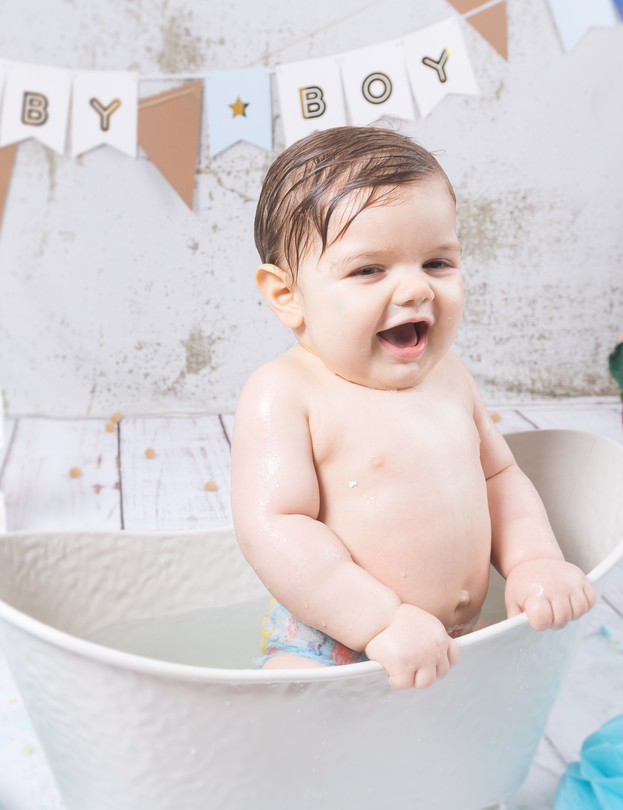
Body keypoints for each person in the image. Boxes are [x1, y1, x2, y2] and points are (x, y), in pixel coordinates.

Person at [231, 127, 596, 690]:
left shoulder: (450, 376)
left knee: (465, 721)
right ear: (288, 296)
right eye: (368, 270)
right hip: (335, 639)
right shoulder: (286, 392)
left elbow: (498, 478)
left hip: (454, 636)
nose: (415, 290)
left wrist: (533, 561)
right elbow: (275, 527)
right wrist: (379, 620)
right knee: (295, 708)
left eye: (437, 263)